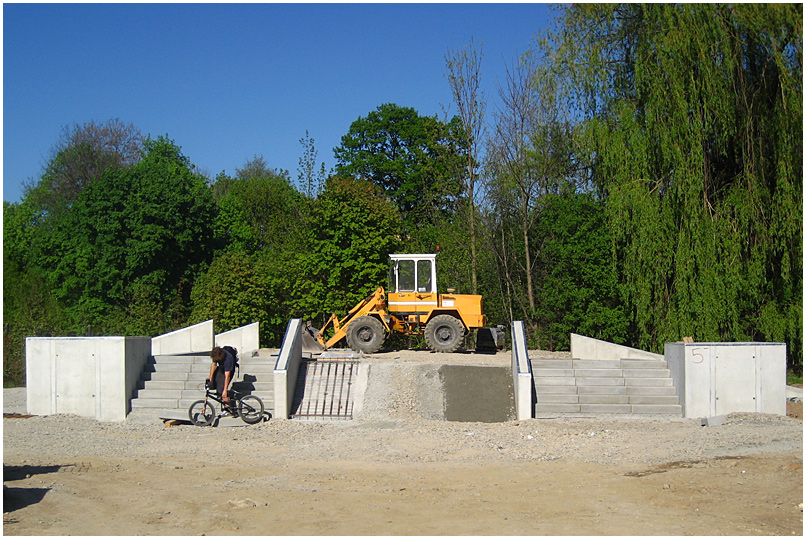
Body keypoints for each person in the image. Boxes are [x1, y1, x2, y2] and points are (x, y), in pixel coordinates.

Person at [207, 346, 236, 416]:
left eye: (217, 359)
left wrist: (225, 390)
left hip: (228, 371)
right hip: (221, 369)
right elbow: (213, 365)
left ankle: (229, 408)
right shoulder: (215, 354)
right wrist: (211, 377)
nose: (216, 360)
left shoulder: (228, 359)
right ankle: (224, 398)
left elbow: (227, 376)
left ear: (220, 356)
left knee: (222, 389)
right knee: (217, 386)